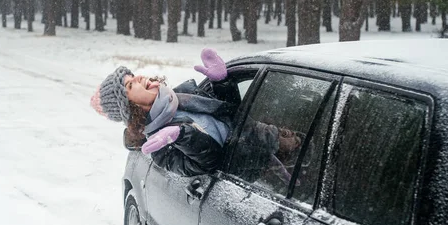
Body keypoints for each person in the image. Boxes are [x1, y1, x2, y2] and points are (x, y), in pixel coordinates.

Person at [90, 48, 301, 177]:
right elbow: (211, 162)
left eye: (132, 76)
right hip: (258, 171)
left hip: (274, 141)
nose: (136, 78)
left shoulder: (185, 97)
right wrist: (182, 135)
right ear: (131, 108)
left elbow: (232, 116)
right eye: (129, 86)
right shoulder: (159, 147)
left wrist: (222, 83)